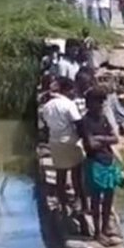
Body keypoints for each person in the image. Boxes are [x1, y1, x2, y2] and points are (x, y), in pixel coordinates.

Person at [81, 86, 122, 246]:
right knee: (96, 200)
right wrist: (105, 139)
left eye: (102, 102)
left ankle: (105, 229)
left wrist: (101, 138)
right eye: (98, 102)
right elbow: (90, 144)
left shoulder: (103, 118)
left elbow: (115, 138)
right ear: (89, 103)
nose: (100, 105)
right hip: (95, 162)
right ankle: (97, 232)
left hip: (108, 161)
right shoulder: (85, 122)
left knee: (108, 199)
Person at [41, 76, 85, 214]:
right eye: (71, 90)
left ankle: (63, 204)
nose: (73, 93)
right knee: (76, 174)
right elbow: (78, 123)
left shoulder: (47, 106)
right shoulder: (68, 104)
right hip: (70, 141)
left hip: (54, 142)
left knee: (60, 174)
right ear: (67, 90)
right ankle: (80, 202)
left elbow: (46, 125)